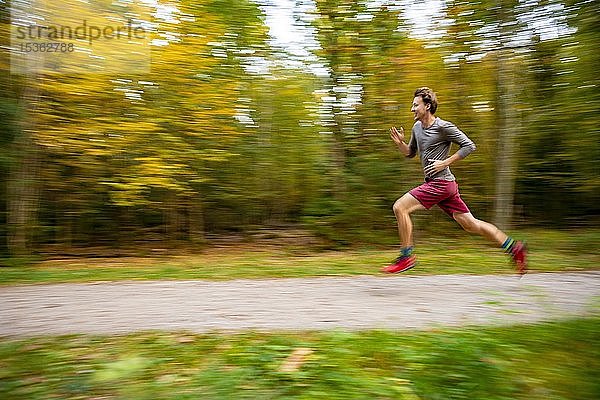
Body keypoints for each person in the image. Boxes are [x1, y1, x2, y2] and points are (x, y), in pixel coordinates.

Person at [384, 87, 527, 274]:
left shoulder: (443, 127)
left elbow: (469, 146)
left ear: (427, 106)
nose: (412, 109)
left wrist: (445, 162)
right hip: (443, 186)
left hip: (440, 183)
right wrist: (400, 144)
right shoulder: (417, 128)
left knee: (400, 207)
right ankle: (514, 248)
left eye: (415, 105)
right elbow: (411, 153)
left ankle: (406, 257)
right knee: (471, 224)